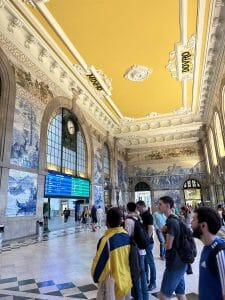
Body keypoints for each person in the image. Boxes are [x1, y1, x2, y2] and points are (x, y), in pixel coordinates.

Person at [91, 207, 132, 300]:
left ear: (107, 222)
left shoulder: (106, 241)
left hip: (113, 285)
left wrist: (96, 277)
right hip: (126, 281)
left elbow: (99, 265)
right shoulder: (127, 237)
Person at [191, 207, 225, 300]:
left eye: (194, 219)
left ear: (203, 225)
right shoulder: (207, 247)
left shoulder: (219, 252)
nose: (191, 222)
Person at [158, 196, 188, 300]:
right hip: (181, 260)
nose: (158, 206)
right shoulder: (175, 219)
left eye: (160, 204)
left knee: (163, 296)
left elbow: (168, 246)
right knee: (180, 293)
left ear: (167, 206)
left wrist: (163, 241)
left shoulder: (171, 222)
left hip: (175, 262)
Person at [124, 202, 149, 300]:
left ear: (127, 208)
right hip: (142, 250)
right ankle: (145, 296)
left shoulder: (128, 220)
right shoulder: (138, 217)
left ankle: (138, 297)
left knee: (136, 275)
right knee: (143, 274)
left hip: (135, 251)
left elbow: (127, 236)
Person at [136, 200, 156, 291]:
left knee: (150, 262)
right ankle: (146, 279)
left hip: (148, 243)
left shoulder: (148, 215)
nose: (137, 209)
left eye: (138, 207)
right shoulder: (142, 215)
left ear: (141, 206)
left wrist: (146, 240)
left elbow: (151, 228)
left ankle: (153, 282)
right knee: (145, 262)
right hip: (145, 243)